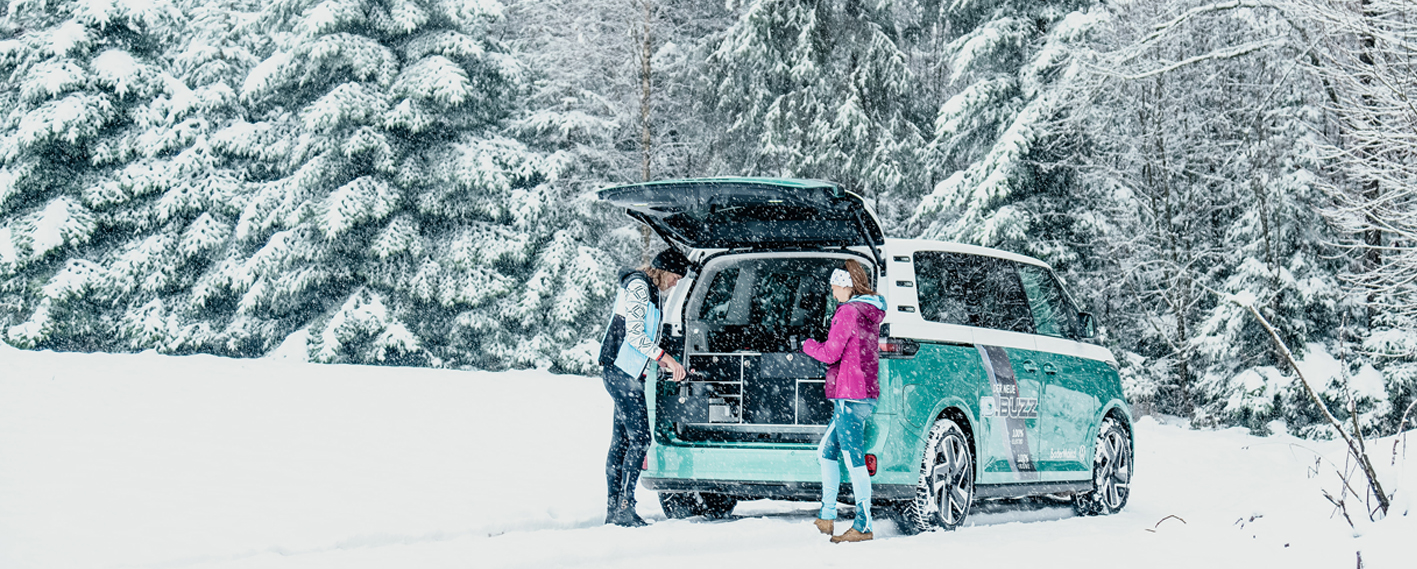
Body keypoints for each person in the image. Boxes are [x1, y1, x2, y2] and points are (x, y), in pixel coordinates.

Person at [598, 249, 690, 527]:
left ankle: (615, 509)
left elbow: (645, 339)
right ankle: (625, 508)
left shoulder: (649, 290)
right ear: (664, 270)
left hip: (626, 372)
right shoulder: (639, 287)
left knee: (623, 441)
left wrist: (664, 364)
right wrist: (666, 359)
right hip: (619, 371)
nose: (676, 283)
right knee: (640, 440)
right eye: (675, 277)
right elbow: (635, 335)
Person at [801, 259, 886, 543]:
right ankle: (827, 517)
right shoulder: (868, 311)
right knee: (826, 451)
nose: (832, 290)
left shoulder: (848, 311)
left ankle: (863, 525)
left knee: (853, 459)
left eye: (835, 285)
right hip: (863, 391)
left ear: (846, 286)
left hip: (849, 394)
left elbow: (830, 353)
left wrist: (807, 345)